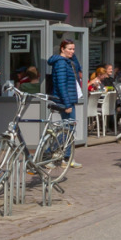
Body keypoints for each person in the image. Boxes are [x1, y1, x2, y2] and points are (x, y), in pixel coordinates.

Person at [46, 38, 84, 171]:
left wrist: (73, 56)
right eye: (69, 49)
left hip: (69, 99)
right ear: (62, 49)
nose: (72, 52)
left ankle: (66, 158)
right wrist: (67, 104)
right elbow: (61, 85)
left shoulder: (69, 61)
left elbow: (79, 68)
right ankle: (48, 153)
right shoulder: (61, 63)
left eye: (74, 49)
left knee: (68, 128)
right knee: (69, 128)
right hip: (65, 100)